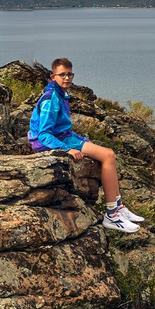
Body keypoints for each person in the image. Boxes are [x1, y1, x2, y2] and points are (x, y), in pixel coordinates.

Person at [29, 58, 143, 232]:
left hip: (62, 137)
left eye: (69, 74)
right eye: (62, 75)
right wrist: (67, 149)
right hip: (47, 142)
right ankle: (112, 215)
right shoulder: (51, 98)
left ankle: (118, 207)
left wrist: (81, 140)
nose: (67, 78)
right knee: (108, 155)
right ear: (53, 76)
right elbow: (44, 134)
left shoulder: (60, 93)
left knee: (108, 153)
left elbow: (62, 128)